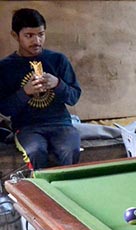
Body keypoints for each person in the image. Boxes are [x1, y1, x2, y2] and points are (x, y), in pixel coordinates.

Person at [0, 8, 82, 170]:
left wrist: (58, 84)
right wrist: (25, 92)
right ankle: (40, 192)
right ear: (15, 36)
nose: (36, 41)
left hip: (61, 124)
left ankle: (66, 190)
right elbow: (4, 108)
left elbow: (74, 97)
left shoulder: (58, 60)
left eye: (41, 34)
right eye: (29, 36)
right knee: (35, 151)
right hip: (27, 127)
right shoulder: (5, 67)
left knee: (69, 149)